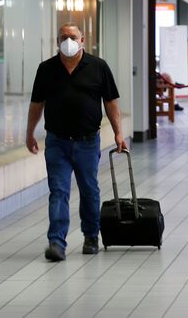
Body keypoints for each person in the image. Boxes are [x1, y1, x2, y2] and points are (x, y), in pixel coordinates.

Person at [26, 23, 127, 262]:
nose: (68, 41)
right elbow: (36, 104)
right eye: (63, 37)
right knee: (58, 191)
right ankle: (56, 242)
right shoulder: (46, 69)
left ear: (83, 40)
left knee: (89, 190)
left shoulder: (99, 67)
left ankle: (91, 236)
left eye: (72, 37)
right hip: (57, 142)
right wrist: (29, 132)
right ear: (56, 41)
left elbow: (111, 103)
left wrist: (118, 134)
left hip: (88, 141)